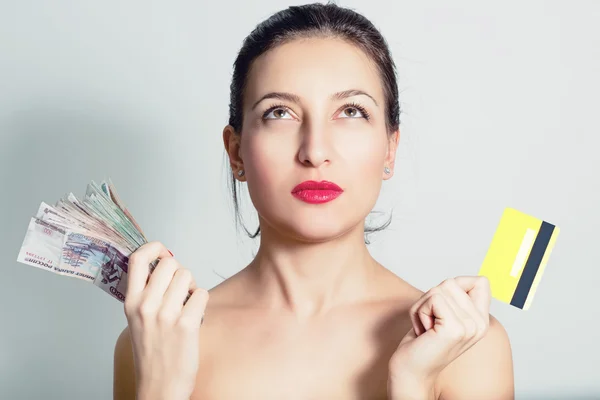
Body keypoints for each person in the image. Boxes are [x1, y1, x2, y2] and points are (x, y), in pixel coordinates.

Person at [113, 2, 514, 399]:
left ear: (390, 149)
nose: (315, 150)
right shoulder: (156, 339)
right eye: (280, 113)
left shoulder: (464, 346)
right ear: (236, 153)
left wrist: (413, 384)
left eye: (352, 111)